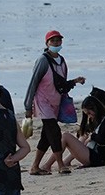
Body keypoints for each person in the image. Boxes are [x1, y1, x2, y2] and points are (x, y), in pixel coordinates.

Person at [24, 30, 86, 175]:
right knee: (54, 131)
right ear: (47, 43)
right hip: (42, 101)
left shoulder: (62, 61)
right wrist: (28, 106)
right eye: (53, 41)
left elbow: (61, 84)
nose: (56, 43)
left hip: (55, 102)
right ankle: (60, 164)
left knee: (46, 135)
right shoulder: (42, 61)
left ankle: (35, 166)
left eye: (58, 40)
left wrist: (75, 81)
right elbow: (33, 83)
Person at [42, 87, 105, 169]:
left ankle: (49, 165)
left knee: (66, 136)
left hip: (104, 156)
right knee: (79, 136)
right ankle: (62, 162)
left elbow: (103, 139)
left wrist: (92, 136)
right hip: (104, 153)